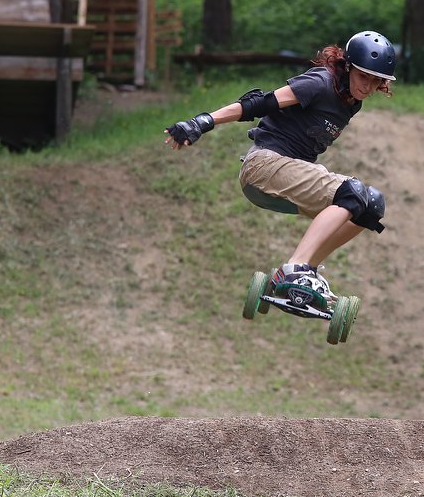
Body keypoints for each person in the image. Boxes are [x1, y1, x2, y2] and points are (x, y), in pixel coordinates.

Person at [164, 30, 396, 309]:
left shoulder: (351, 102)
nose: (367, 87)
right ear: (347, 67)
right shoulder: (320, 83)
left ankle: (298, 275)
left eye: (375, 81)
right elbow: (260, 103)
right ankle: (297, 268)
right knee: (352, 192)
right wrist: (202, 122)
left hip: (283, 176)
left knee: (370, 205)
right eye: (363, 77)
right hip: (264, 165)